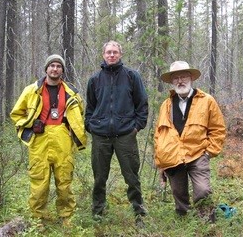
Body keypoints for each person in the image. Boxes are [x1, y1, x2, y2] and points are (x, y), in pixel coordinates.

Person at [10, 54, 87, 226]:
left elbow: (80, 114)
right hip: (39, 140)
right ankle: (38, 218)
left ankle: (66, 216)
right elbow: (16, 114)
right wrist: (29, 125)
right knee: (39, 181)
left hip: (62, 138)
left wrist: (70, 127)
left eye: (58, 66)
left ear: (62, 70)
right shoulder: (31, 90)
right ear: (46, 69)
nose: (55, 69)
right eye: (52, 65)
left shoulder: (71, 92)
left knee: (65, 179)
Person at [85, 41, 148, 226]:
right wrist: (91, 125)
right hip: (100, 136)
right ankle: (98, 213)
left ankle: (139, 214)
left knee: (132, 177)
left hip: (125, 135)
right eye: (108, 52)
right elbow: (90, 107)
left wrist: (136, 127)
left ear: (120, 54)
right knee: (99, 177)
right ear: (103, 55)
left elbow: (142, 104)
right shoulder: (95, 80)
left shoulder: (131, 76)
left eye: (115, 52)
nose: (111, 55)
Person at [154, 61, 226, 222]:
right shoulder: (166, 105)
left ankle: (207, 222)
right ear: (172, 82)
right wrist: (160, 159)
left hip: (198, 154)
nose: (180, 81)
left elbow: (218, 129)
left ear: (191, 78)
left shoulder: (207, 101)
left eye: (184, 76)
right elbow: (159, 133)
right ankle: (184, 222)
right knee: (179, 194)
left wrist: (209, 152)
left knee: (202, 191)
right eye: (176, 77)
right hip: (173, 156)